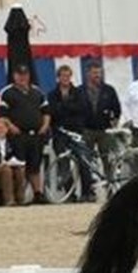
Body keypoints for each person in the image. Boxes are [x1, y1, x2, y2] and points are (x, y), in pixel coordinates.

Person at [0, 64, 50, 204]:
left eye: (25, 75)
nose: (22, 77)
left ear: (29, 76)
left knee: (35, 165)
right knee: (20, 165)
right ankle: (20, 196)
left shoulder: (37, 92)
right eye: (19, 75)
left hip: (36, 135)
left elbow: (46, 111)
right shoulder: (7, 92)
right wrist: (11, 126)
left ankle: (38, 193)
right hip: (18, 135)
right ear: (14, 76)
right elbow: (1, 114)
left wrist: (45, 126)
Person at [48, 65, 99, 201]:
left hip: (76, 132)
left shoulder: (79, 93)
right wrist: (69, 108)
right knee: (63, 163)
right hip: (60, 133)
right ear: (58, 77)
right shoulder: (52, 94)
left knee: (83, 161)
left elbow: (82, 110)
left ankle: (87, 192)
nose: (65, 78)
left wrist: (63, 107)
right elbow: (53, 112)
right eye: (63, 76)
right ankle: (69, 193)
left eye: (68, 76)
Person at [81, 61, 122, 176]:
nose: (98, 75)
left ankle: (109, 183)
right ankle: (88, 185)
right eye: (94, 73)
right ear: (88, 74)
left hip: (105, 131)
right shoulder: (79, 90)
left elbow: (117, 109)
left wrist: (114, 123)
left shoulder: (109, 90)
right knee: (85, 161)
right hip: (86, 131)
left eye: (99, 73)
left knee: (108, 160)